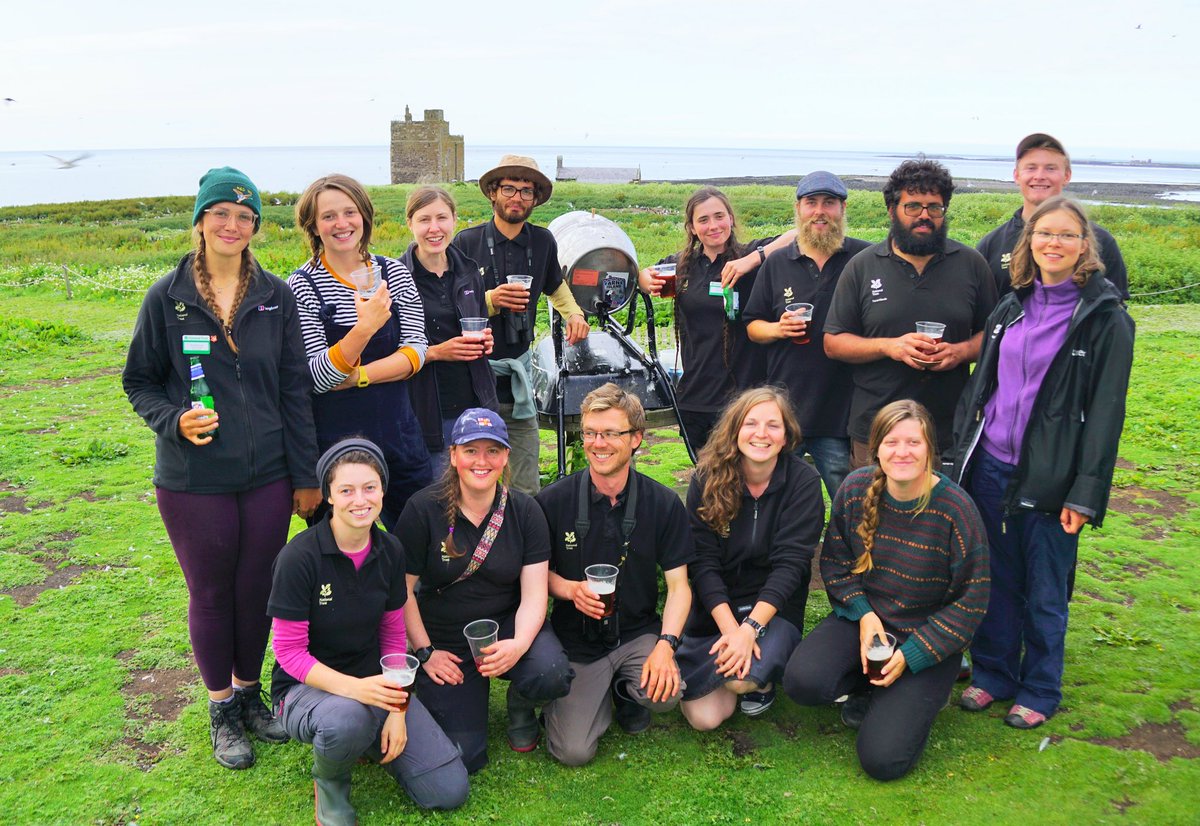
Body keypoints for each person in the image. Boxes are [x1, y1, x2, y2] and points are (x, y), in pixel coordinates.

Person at [122, 166, 322, 770]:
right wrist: (173, 419)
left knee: (256, 589)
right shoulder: (169, 296)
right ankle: (220, 710)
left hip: (267, 476)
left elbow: (293, 390)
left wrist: (306, 474)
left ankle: (249, 693)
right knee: (210, 592)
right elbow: (140, 381)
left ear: (255, 226)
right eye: (221, 214)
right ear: (201, 222)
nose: (232, 225)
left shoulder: (275, 295)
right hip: (194, 479)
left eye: (244, 216)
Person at [951, 196, 1134, 730]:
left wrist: (1086, 493)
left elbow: (1106, 415)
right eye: (1043, 233)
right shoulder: (1011, 307)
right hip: (990, 466)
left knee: (1046, 588)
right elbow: (982, 387)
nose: (1053, 243)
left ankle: (1040, 686)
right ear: (1028, 243)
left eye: (1066, 235)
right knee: (995, 579)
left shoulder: (1105, 319)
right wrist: (961, 452)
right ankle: (993, 674)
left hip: (1052, 478)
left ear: (1085, 246)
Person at [783, 400, 990, 781]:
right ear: (876, 447)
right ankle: (870, 686)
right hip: (865, 621)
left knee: (882, 760)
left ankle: (920, 696)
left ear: (930, 448)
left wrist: (912, 655)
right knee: (802, 682)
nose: (902, 452)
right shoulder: (856, 488)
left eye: (914, 442)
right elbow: (835, 563)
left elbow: (971, 600)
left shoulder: (956, 510)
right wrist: (864, 615)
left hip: (925, 637)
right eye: (892, 442)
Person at [267, 439, 468, 823]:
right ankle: (330, 783)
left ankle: (365, 736)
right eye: (346, 490)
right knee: (346, 719)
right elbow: (289, 653)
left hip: (374, 684)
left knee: (448, 790)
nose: (359, 500)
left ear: (382, 491)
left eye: (369, 488)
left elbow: (394, 637)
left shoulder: (390, 550)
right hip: (303, 690)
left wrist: (397, 708)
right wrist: (356, 690)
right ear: (328, 495)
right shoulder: (298, 557)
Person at [395, 408, 572, 773]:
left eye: (493, 450)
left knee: (550, 670)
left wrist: (520, 644)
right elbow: (402, 592)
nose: (482, 460)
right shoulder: (422, 510)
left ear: (506, 456)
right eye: (471, 450)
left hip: (507, 624)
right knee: (464, 756)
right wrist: (427, 653)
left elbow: (536, 593)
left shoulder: (525, 511)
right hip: (446, 639)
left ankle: (521, 703)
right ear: (454, 455)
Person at [536, 384, 694, 766]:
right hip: (578, 642)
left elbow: (679, 587)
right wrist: (571, 590)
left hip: (637, 633)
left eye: (610, 433)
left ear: (637, 438)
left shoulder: (663, 503)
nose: (597, 443)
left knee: (668, 694)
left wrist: (665, 645)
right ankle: (596, 697)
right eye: (590, 433)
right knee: (573, 752)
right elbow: (537, 577)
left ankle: (625, 690)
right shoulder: (553, 501)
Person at [825, 159, 998, 463]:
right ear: (892, 210)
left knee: (946, 510)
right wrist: (889, 346)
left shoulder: (971, 264)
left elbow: (995, 334)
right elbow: (834, 342)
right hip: (876, 429)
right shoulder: (862, 266)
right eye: (913, 206)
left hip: (948, 429)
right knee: (871, 511)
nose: (925, 216)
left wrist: (961, 351)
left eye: (935, 208)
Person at [289, 173, 431, 529]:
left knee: (419, 541)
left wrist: (358, 375)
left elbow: (416, 352)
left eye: (350, 212)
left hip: (400, 435)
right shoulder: (302, 286)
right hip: (335, 444)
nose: (342, 224)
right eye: (328, 216)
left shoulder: (393, 273)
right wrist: (365, 327)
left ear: (364, 217)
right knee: (340, 551)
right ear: (313, 226)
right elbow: (317, 377)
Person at [677, 387, 825, 730]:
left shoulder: (803, 482)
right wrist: (732, 631)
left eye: (773, 425)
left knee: (741, 680)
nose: (761, 433)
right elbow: (702, 563)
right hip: (718, 608)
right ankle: (729, 669)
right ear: (735, 430)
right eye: (751, 423)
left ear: (786, 435)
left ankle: (758, 678)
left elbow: (791, 566)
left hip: (773, 609)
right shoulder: (706, 478)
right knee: (705, 719)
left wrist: (751, 629)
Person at [450, 154, 590, 494]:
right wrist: (490, 301)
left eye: (527, 191)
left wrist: (574, 314)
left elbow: (555, 285)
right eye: (510, 189)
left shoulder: (542, 242)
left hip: (518, 379)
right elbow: (446, 305)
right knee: (470, 479)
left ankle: (522, 540)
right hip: (471, 379)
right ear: (493, 193)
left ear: (535, 199)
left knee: (525, 482)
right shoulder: (465, 244)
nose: (518, 198)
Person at [637, 187, 796, 451]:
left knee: (748, 477)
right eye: (703, 220)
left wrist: (751, 261)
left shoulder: (751, 255)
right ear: (691, 227)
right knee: (707, 481)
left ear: (731, 219)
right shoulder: (682, 266)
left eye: (719, 216)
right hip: (695, 396)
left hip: (745, 397)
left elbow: (798, 236)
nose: (713, 226)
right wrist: (645, 278)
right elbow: (644, 275)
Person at [745, 171, 871, 499]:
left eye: (829, 203)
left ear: (843, 209)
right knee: (778, 499)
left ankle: (846, 551)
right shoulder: (777, 263)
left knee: (848, 501)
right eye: (811, 202)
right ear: (798, 209)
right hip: (785, 410)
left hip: (841, 411)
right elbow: (752, 325)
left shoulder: (865, 259)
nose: (820, 211)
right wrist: (777, 328)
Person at [400, 186, 499, 474]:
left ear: (455, 219)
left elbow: (479, 320)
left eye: (442, 218)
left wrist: (486, 340)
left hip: (476, 404)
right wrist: (435, 352)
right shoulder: (396, 276)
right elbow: (388, 352)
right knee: (437, 500)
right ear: (410, 224)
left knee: (477, 493)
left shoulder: (468, 271)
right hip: (427, 412)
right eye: (424, 220)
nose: (434, 228)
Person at [978, 133, 1129, 300]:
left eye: (1051, 168)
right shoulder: (990, 245)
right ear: (1016, 175)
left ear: (1067, 176)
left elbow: (1115, 310)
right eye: (1031, 167)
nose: (1040, 176)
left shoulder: (1100, 241)